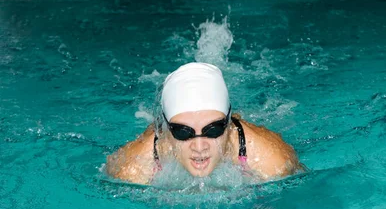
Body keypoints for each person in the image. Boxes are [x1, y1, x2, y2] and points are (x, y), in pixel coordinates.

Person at [106, 62, 304, 184]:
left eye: (213, 130)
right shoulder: (132, 169)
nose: (199, 147)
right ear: (166, 129)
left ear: (229, 124)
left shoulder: (272, 161)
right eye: (183, 132)